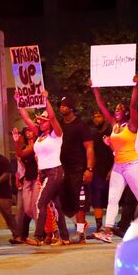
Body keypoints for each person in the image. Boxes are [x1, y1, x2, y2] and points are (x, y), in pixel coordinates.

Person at [91, 76, 138, 243]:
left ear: (125, 112)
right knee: (112, 198)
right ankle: (108, 230)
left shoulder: (132, 125)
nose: (116, 110)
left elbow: (133, 105)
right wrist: (95, 88)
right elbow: (102, 106)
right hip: (118, 165)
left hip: (133, 165)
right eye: (115, 109)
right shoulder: (114, 125)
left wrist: (135, 86)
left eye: (119, 109)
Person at [16, 91, 70, 246]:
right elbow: (26, 118)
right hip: (45, 173)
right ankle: (64, 237)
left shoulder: (56, 135)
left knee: (40, 203)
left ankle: (38, 237)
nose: (40, 123)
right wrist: (19, 101)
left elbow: (53, 117)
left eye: (43, 121)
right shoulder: (39, 136)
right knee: (56, 205)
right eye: (39, 121)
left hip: (54, 172)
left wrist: (46, 99)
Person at [57, 96, 95, 243]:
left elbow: (89, 148)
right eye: (60, 105)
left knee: (80, 202)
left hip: (79, 168)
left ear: (71, 108)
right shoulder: (60, 126)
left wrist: (89, 168)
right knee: (62, 202)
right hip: (63, 169)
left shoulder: (81, 126)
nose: (61, 107)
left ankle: (80, 234)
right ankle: (81, 225)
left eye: (64, 105)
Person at [12, 126, 40, 243]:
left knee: (36, 206)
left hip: (37, 178)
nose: (28, 133)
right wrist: (16, 142)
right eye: (26, 131)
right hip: (27, 179)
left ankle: (39, 234)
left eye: (30, 131)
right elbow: (20, 156)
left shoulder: (38, 145)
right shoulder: (24, 148)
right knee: (27, 208)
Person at [89, 109, 114, 234]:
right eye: (94, 116)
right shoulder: (93, 133)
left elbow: (117, 152)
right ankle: (99, 226)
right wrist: (90, 169)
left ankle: (117, 225)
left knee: (113, 198)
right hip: (98, 169)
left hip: (114, 167)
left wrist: (112, 169)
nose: (96, 119)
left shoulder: (111, 131)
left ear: (104, 117)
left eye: (99, 116)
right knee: (97, 197)